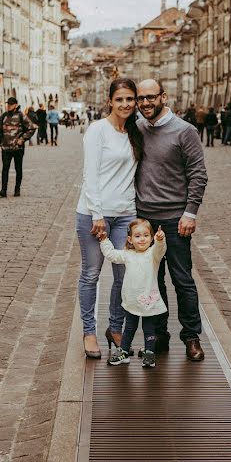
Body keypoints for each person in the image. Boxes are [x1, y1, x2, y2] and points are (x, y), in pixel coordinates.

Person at [135, 78, 208, 362]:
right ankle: (159, 336)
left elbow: (198, 174)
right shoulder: (137, 129)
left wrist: (190, 212)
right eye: (141, 99)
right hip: (146, 220)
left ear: (163, 97)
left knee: (182, 280)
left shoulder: (185, 131)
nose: (145, 103)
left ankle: (191, 337)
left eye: (150, 97)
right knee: (153, 282)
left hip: (176, 219)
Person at [76, 78, 143, 359]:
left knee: (123, 276)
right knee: (91, 274)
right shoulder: (97, 130)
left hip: (126, 214)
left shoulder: (135, 132)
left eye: (130, 99)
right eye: (120, 100)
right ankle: (89, 332)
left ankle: (115, 328)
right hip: (95, 215)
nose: (125, 104)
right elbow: (90, 175)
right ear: (110, 101)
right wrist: (98, 214)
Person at [99, 220, 167, 368]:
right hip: (131, 300)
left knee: (149, 328)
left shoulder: (153, 255)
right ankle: (123, 351)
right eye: (137, 236)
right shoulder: (128, 254)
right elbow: (112, 255)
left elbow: (160, 249)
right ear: (130, 239)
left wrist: (160, 240)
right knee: (129, 327)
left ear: (151, 238)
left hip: (148, 299)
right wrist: (104, 240)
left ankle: (149, 352)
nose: (142, 239)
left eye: (146, 235)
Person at [0, 96, 36, 198]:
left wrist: (22, 139)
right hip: (6, 148)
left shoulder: (21, 116)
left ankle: (17, 189)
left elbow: (32, 128)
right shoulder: (3, 116)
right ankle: (3, 190)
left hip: (18, 148)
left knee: (18, 169)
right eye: (8, 104)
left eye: (11, 104)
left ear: (16, 105)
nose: (9, 106)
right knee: (5, 169)